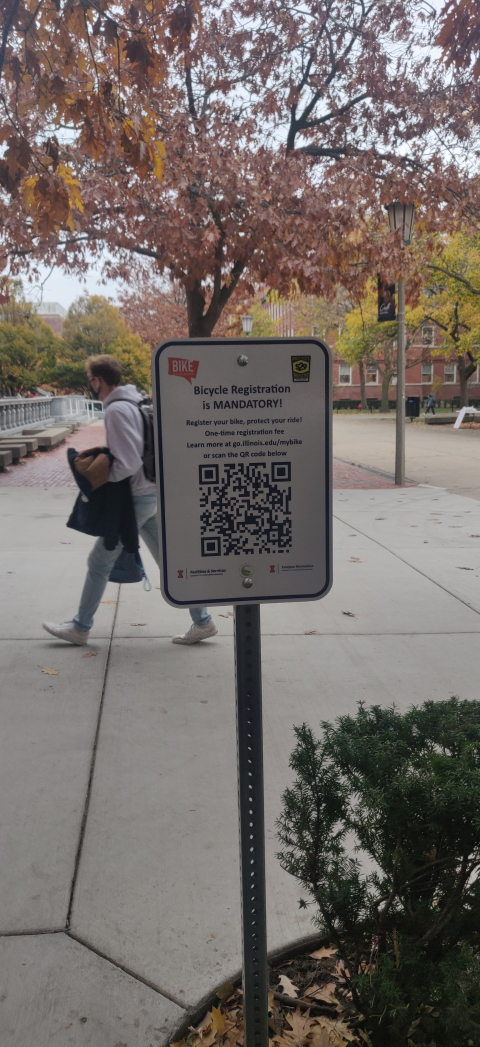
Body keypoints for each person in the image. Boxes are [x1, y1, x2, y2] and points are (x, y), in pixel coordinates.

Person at [42, 355, 218, 646]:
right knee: (170, 561)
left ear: (97, 380)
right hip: (151, 495)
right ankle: (204, 622)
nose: (90, 385)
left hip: (135, 499)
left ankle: (80, 628)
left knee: (99, 561)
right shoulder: (137, 404)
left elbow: (128, 462)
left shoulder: (116, 411)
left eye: (91, 380)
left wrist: (99, 478)